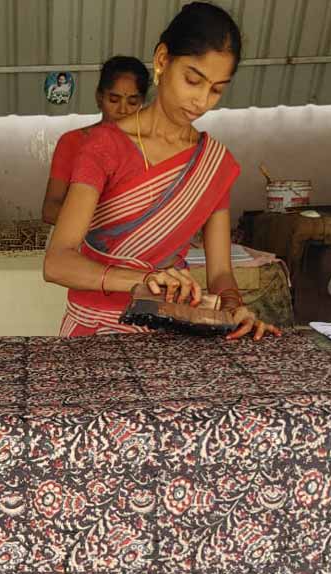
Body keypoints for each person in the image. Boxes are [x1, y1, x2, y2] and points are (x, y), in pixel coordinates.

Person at [44, 1, 281, 342]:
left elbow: (219, 272)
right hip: (93, 332)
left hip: (173, 332)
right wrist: (145, 281)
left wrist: (234, 308)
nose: (201, 101)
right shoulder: (103, 146)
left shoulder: (214, 164)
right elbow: (58, 263)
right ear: (161, 61)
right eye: (192, 80)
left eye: (216, 90)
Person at [42, 57, 149, 225]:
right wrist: (105, 225)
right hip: (81, 243)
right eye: (114, 100)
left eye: (132, 102)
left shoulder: (152, 146)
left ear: (142, 102)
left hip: (135, 245)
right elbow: (50, 210)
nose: (122, 110)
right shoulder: (72, 141)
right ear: (99, 98)